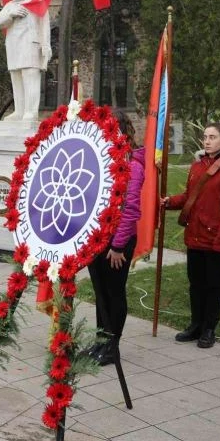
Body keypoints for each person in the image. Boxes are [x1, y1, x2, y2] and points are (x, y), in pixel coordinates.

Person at [163, 122, 220, 349]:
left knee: (213, 285)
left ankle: (209, 329)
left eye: (212, 137)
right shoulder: (198, 166)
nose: (207, 141)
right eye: (205, 137)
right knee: (196, 283)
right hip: (196, 236)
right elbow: (190, 196)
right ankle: (195, 325)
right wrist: (170, 202)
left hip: (217, 239)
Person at [86, 111, 144, 365]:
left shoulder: (132, 165)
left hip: (117, 242)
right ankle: (101, 340)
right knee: (100, 292)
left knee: (113, 292)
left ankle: (112, 346)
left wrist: (119, 245)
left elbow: (130, 210)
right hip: (96, 239)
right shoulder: (99, 160)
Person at [0, 0, 52, 121]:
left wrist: (46, 45)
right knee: (16, 78)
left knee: (30, 78)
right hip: (13, 47)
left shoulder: (38, 3)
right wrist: (10, 15)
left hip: (31, 46)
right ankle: (19, 111)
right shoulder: (10, 6)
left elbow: (45, 26)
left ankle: (30, 111)